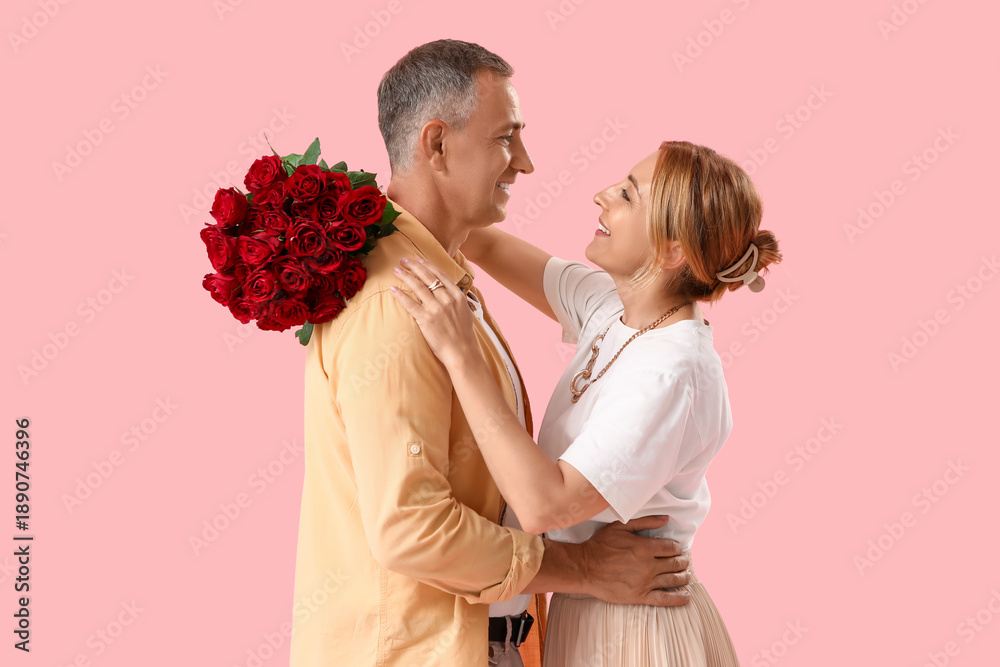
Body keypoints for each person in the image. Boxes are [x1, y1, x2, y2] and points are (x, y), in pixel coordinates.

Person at [289, 40, 696, 667]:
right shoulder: (400, 303)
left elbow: (489, 245)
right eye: (507, 137)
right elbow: (411, 530)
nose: (525, 163)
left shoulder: (435, 274)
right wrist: (585, 568)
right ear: (437, 145)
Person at [391, 139, 782, 665]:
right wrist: (350, 202)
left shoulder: (671, 371)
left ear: (672, 252)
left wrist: (462, 355)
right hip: (596, 606)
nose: (602, 195)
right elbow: (480, 243)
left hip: (636, 625)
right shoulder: (611, 308)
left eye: (628, 195)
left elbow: (544, 505)